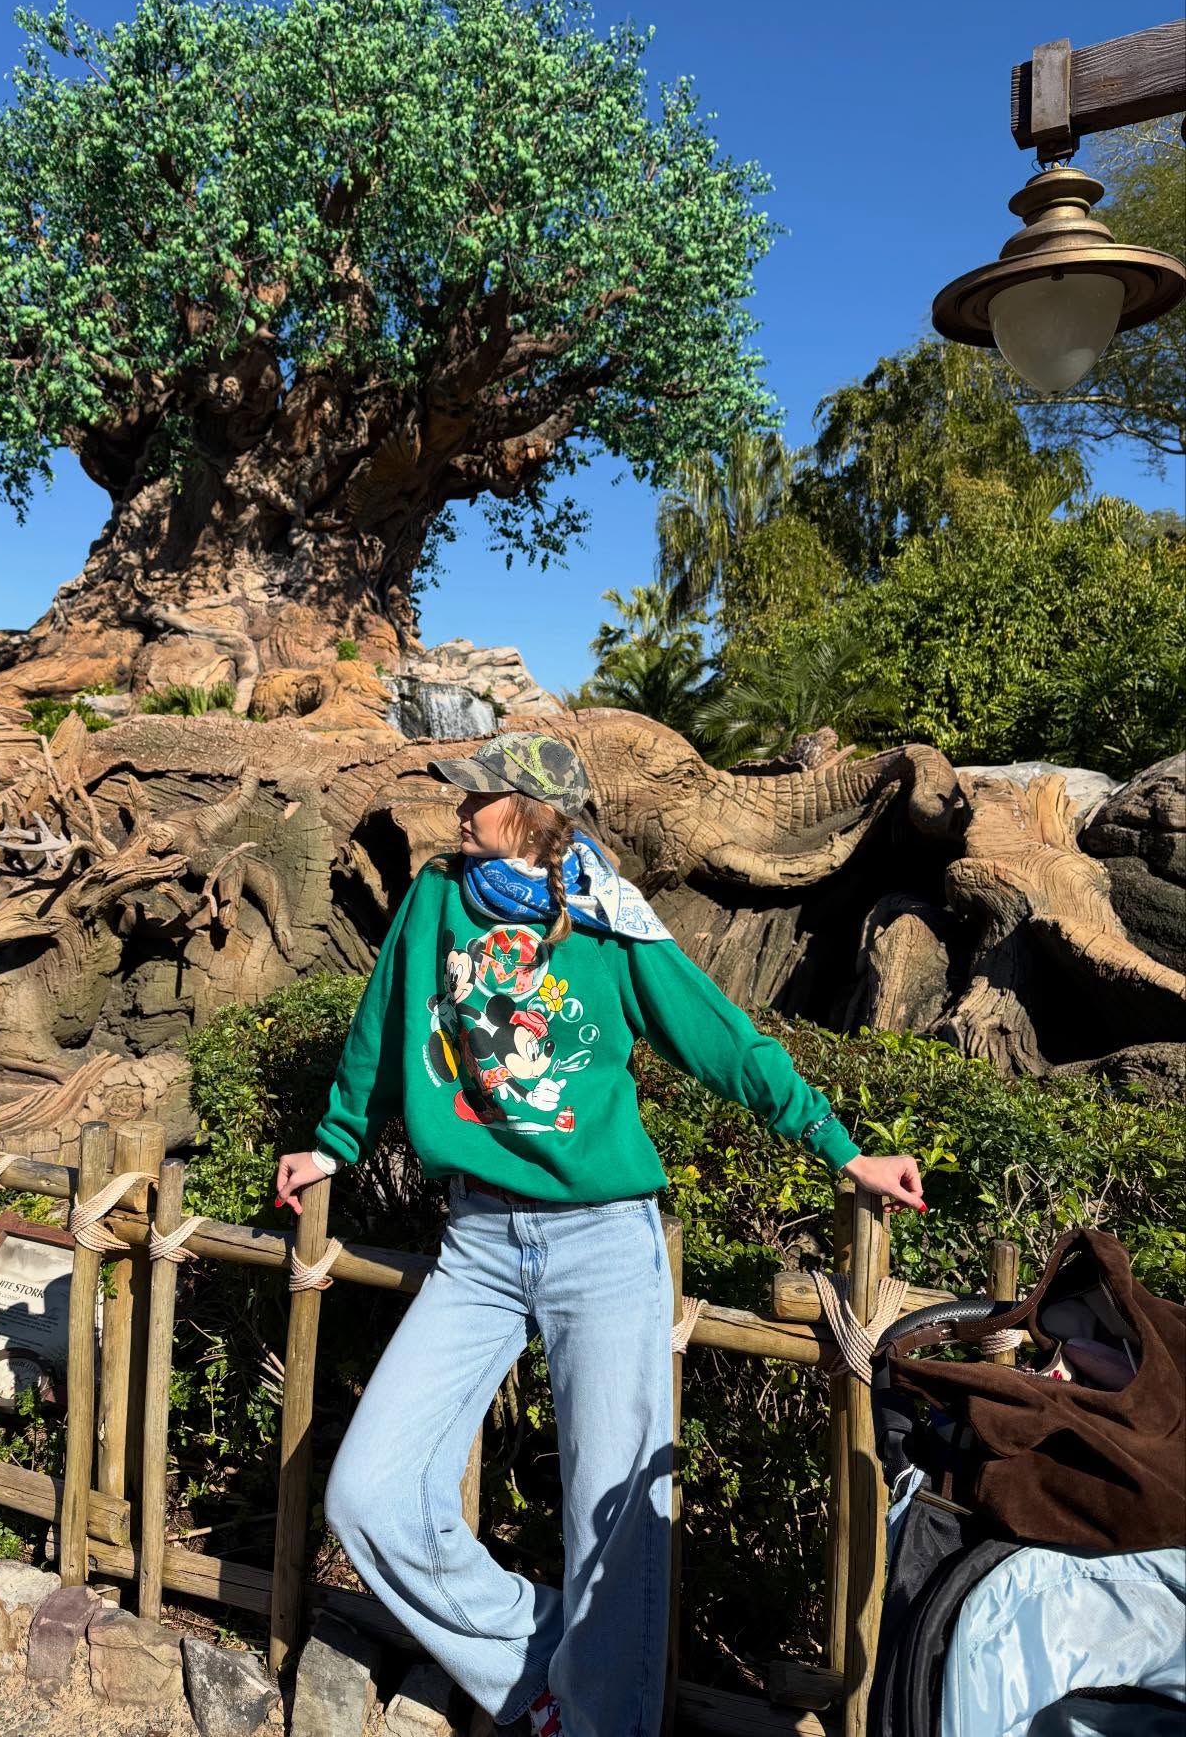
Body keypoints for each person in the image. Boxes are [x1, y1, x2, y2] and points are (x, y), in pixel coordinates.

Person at [275, 732, 925, 1737]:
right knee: (368, 1493)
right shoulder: (435, 899)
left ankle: (595, 1720)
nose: (460, 809)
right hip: (479, 1247)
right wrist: (333, 1142)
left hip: (605, 1247)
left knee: (610, 1532)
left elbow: (721, 1036)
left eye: (481, 796)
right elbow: (378, 1029)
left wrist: (840, 1148)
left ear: (534, 814)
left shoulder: (609, 915)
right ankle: (539, 1664)